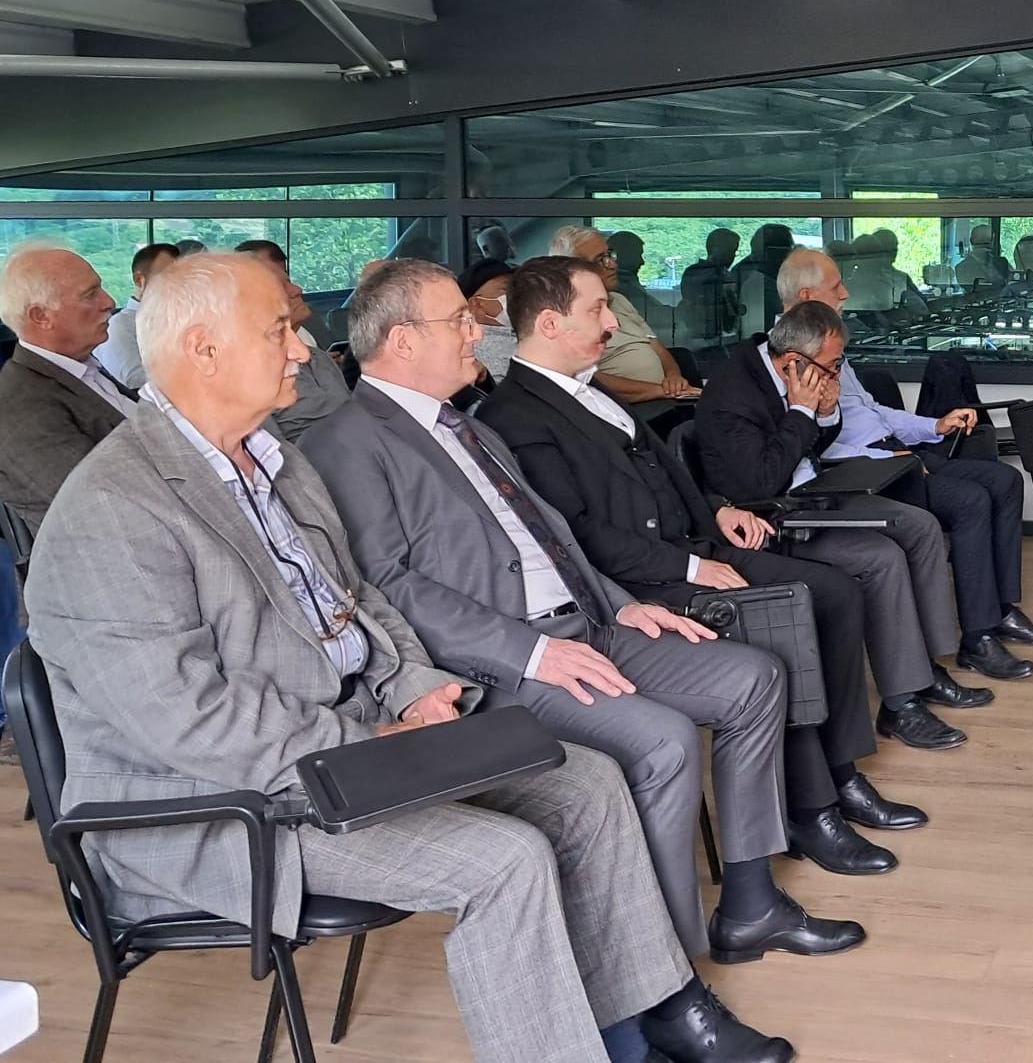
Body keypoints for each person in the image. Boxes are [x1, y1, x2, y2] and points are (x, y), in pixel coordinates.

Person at [25, 253, 792, 1063]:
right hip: (224, 804)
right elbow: (185, 721)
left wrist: (413, 687)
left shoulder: (271, 461)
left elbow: (359, 600)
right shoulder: (113, 508)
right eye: (279, 330)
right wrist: (365, 742)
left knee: (587, 782)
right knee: (507, 860)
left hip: (349, 746)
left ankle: (644, 1023)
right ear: (202, 350)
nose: (303, 348)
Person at [300, 260, 863, 965]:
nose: (478, 331)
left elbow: (554, 537)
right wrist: (535, 652)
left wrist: (623, 608)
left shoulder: (466, 426)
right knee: (664, 741)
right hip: (504, 660)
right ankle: (663, 964)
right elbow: (388, 586)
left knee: (756, 678)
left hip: (590, 622)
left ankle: (750, 906)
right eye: (460, 320)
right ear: (404, 340)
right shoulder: (346, 442)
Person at [476, 256, 931, 871]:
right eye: (598, 309)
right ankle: (810, 808)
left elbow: (669, 470)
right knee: (787, 615)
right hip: (636, 585)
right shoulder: (513, 416)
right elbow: (575, 534)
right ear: (551, 323)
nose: (612, 322)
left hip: (691, 548)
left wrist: (716, 509)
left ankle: (842, 770)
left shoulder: (590, 389)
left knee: (835, 592)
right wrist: (690, 569)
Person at [694, 303, 1013, 720]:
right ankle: (901, 704)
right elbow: (762, 482)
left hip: (815, 490)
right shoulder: (731, 396)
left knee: (921, 526)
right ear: (793, 362)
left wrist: (825, 414)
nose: (836, 373)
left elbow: (813, 447)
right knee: (882, 557)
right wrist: (803, 411)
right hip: (774, 516)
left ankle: (930, 665)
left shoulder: (794, 372)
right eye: (832, 366)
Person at [780, 249, 1033, 671]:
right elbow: (816, 442)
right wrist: (892, 458)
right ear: (807, 295)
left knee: (1005, 481)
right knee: (969, 500)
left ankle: (1000, 608)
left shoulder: (829, 344)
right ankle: (977, 638)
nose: (845, 293)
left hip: (896, 453)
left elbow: (874, 411)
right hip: (866, 471)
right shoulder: (792, 356)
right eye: (836, 286)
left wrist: (934, 425)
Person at [0, 245, 132, 533]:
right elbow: (102, 507)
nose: (109, 302)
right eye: (90, 294)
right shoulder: (18, 406)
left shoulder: (82, 368)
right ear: (41, 316)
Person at [549, 226, 700, 424]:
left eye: (610, 255)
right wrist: (659, 391)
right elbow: (583, 379)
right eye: (600, 260)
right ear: (572, 269)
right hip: (622, 415)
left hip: (664, 403)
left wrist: (674, 378)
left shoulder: (620, 300)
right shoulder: (565, 315)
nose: (612, 264)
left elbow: (658, 349)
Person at [237, 240, 352, 442]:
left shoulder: (319, 357)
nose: (297, 289)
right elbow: (270, 452)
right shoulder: (246, 375)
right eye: (281, 286)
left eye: (289, 280)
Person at [93, 241, 178, 388]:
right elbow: (133, 381)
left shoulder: (183, 320)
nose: (178, 284)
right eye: (168, 276)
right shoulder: (120, 326)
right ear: (139, 280)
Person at [681, 229, 745, 354]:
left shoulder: (725, 274)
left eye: (734, 252)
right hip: (702, 337)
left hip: (721, 336)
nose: (732, 256)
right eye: (729, 250)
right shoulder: (697, 273)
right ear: (715, 248)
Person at [460, 257, 520, 381]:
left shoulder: (526, 331)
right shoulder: (472, 353)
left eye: (515, 289)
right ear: (476, 304)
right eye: (505, 290)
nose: (515, 296)